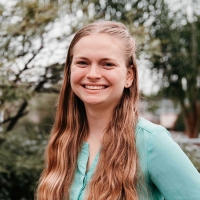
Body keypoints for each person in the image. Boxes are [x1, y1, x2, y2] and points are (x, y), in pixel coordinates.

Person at [36, 21, 200, 200]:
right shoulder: (63, 140)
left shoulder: (151, 141)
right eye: (82, 63)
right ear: (69, 71)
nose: (92, 74)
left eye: (107, 64)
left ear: (129, 76)